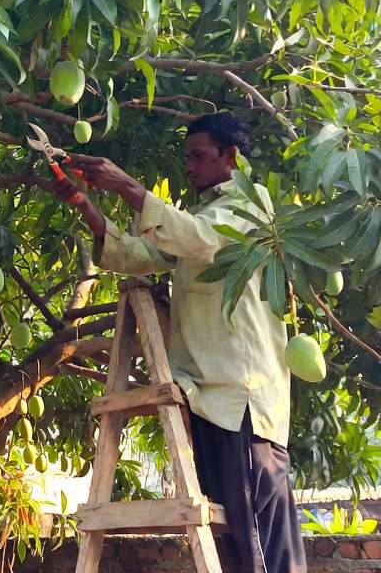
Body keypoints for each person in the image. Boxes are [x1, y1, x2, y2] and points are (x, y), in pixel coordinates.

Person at [51, 112, 306, 573]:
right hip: (205, 395)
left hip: (240, 399)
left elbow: (200, 238)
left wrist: (127, 186)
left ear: (231, 156)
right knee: (232, 541)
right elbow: (142, 255)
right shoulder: (205, 216)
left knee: (259, 543)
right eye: (186, 156)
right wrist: (86, 206)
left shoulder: (251, 207)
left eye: (198, 156)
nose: (189, 165)